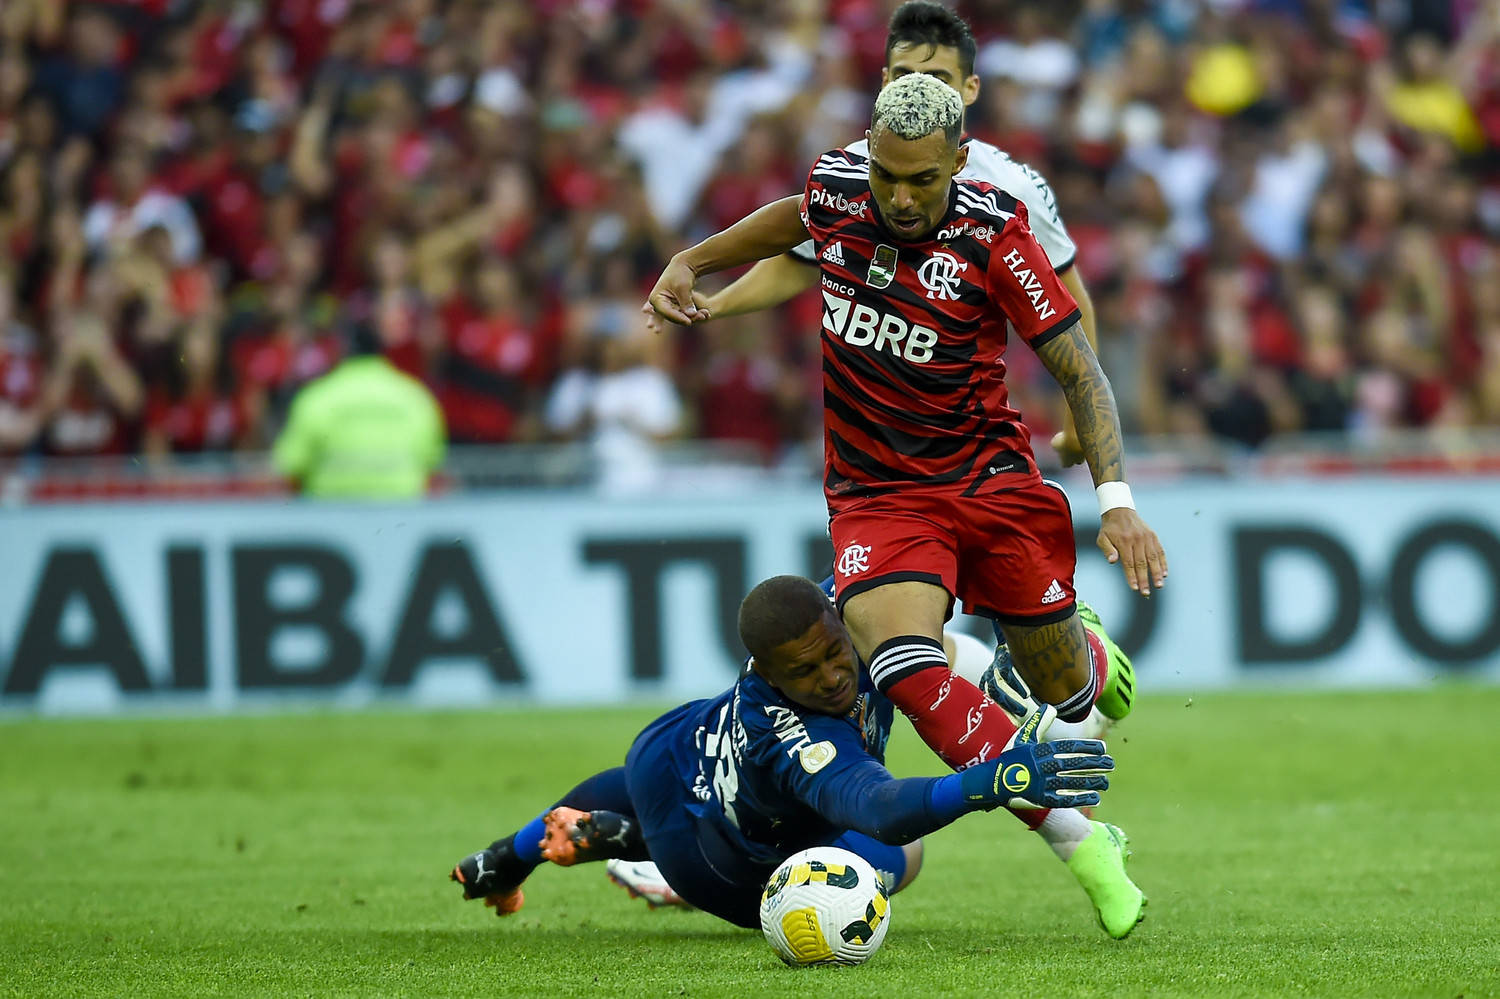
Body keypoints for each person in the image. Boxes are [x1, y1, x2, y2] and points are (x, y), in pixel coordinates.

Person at [646, 74, 1166, 814]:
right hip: (879, 495)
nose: (900, 199)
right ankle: (1065, 826)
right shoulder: (840, 187)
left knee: (1062, 685)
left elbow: (1082, 371)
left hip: (988, 479)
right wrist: (694, 260)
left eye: (921, 180)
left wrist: (1116, 503)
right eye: (886, 176)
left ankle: (1082, 648)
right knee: (900, 662)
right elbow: (793, 218)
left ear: (958, 161)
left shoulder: (998, 234)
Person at [451, 575, 1114, 932]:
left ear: (838, 618)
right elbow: (880, 807)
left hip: (671, 753)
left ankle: (500, 863)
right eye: (806, 672)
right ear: (767, 673)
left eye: (834, 651)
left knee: (628, 788)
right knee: (899, 854)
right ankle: (634, 844)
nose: (831, 676)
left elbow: (931, 612)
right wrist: (989, 781)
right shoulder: (800, 734)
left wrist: (509, 858)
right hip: (719, 864)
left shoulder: (857, 611)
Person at [653, 1, 1103, 472]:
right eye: (906, 75)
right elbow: (797, 257)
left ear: (970, 90)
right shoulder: (855, 169)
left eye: (938, 79)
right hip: (880, 427)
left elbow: (1068, 301)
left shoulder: (1015, 187)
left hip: (976, 416)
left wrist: (1077, 420)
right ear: (886, 80)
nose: (919, 91)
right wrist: (718, 304)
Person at [272, 320, 446, 499]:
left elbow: (292, 466)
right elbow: (432, 463)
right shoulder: (414, 397)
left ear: (342, 350)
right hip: (400, 513)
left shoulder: (316, 398)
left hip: (330, 514)